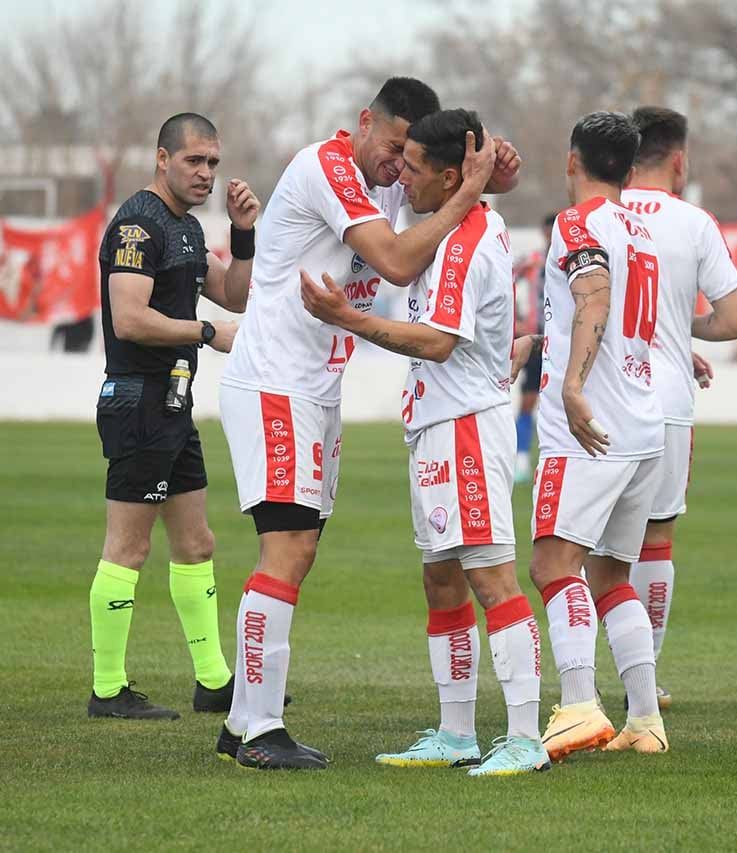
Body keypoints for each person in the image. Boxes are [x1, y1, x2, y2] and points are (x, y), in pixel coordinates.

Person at [216, 77, 519, 770]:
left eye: (405, 155)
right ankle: (261, 728)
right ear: (363, 122)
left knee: (299, 551)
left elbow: (428, 202)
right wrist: (473, 193)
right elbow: (396, 256)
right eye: (390, 147)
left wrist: (479, 178)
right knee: (285, 552)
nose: (395, 166)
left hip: (313, 390)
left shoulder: (382, 183)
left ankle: (242, 718)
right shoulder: (326, 166)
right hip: (276, 385)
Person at [301, 108, 549, 777]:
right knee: (441, 579)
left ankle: (526, 737)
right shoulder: (445, 218)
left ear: (447, 176)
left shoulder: (464, 242)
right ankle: (456, 730)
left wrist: (350, 319)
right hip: (438, 423)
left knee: (492, 578)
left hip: (467, 422)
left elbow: (439, 341)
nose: (400, 177)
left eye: (412, 167)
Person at [88, 113, 257, 720]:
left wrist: (242, 234)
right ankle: (107, 690)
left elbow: (235, 293)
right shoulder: (138, 224)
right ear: (163, 159)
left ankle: (213, 681)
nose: (207, 173)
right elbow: (129, 318)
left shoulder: (184, 228)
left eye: (213, 162)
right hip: (138, 400)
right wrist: (207, 332)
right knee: (128, 549)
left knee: (197, 541)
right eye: (194, 161)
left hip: (173, 404)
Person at [509, 111, 668, 760]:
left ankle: (578, 702)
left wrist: (571, 384)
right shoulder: (643, 228)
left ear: (572, 159)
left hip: (589, 428)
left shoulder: (578, 224)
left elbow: (594, 296)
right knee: (612, 577)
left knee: (552, 565)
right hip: (642, 425)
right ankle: (647, 718)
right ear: (630, 171)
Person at [620, 107, 737, 710]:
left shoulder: (595, 215)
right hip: (664, 398)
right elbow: (735, 320)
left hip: (597, 399)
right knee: (656, 540)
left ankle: (578, 683)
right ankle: (644, 683)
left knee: (582, 545)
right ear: (678, 161)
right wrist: (680, 331)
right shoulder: (692, 222)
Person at [512, 213, 556, 483]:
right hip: (537, 341)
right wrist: (515, 319)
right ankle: (521, 459)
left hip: (563, 343)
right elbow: (506, 277)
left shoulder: (571, 261)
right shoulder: (535, 261)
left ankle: (555, 460)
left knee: (562, 403)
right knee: (529, 401)